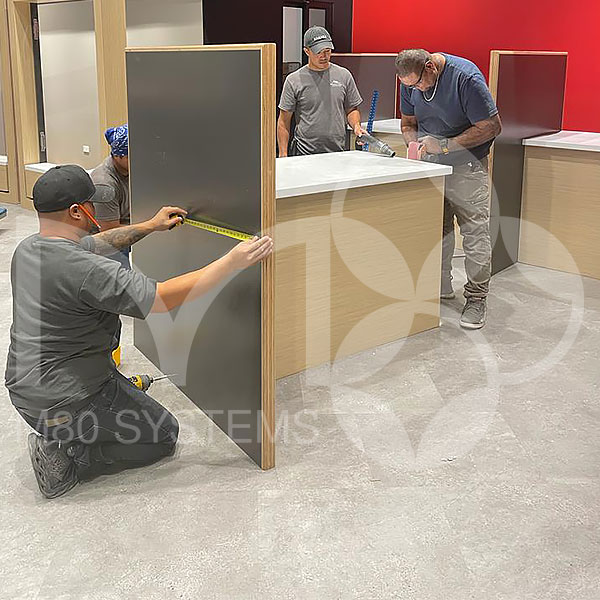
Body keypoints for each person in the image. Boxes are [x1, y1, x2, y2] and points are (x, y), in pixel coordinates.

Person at [5, 165, 273, 499]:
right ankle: (67, 455)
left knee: (124, 402)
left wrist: (150, 226)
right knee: (162, 434)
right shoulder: (85, 270)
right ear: (76, 211)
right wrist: (231, 262)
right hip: (65, 400)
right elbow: (162, 298)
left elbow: (96, 242)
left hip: (26, 389)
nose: (96, 209)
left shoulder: (29, 248)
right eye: (91, 203)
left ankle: (79, 420)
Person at [396, 49, 502, 330]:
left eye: (418, 84)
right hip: (431, 169)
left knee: (474, 234)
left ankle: (476, 298)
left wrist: (444, 146)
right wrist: (413, 144)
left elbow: (492, 126)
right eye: (410, 87)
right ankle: (439, 286)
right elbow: (408, 123)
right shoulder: (409, 81)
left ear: (430, 67)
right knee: (436, 231)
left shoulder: (465, 78)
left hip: (467, 168)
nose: (416, 90)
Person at [277, 26, 365, 157]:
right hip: (304, 153)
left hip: (337, 152)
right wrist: (283, 154)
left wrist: (356, 126)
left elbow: (351, 109)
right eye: (318, 52)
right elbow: (284, 121)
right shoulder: (294, 80)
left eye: (327, 51)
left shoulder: (344, 75)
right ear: (307, 51)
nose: (324, 56)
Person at [90, 124, 131, 267]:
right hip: (106, 244)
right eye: (132, 155)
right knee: (121, 277)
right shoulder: (104, 184)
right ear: (119, 156)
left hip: (123, 227)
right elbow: (109, 231)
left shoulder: (130, 169)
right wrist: (151, 226)